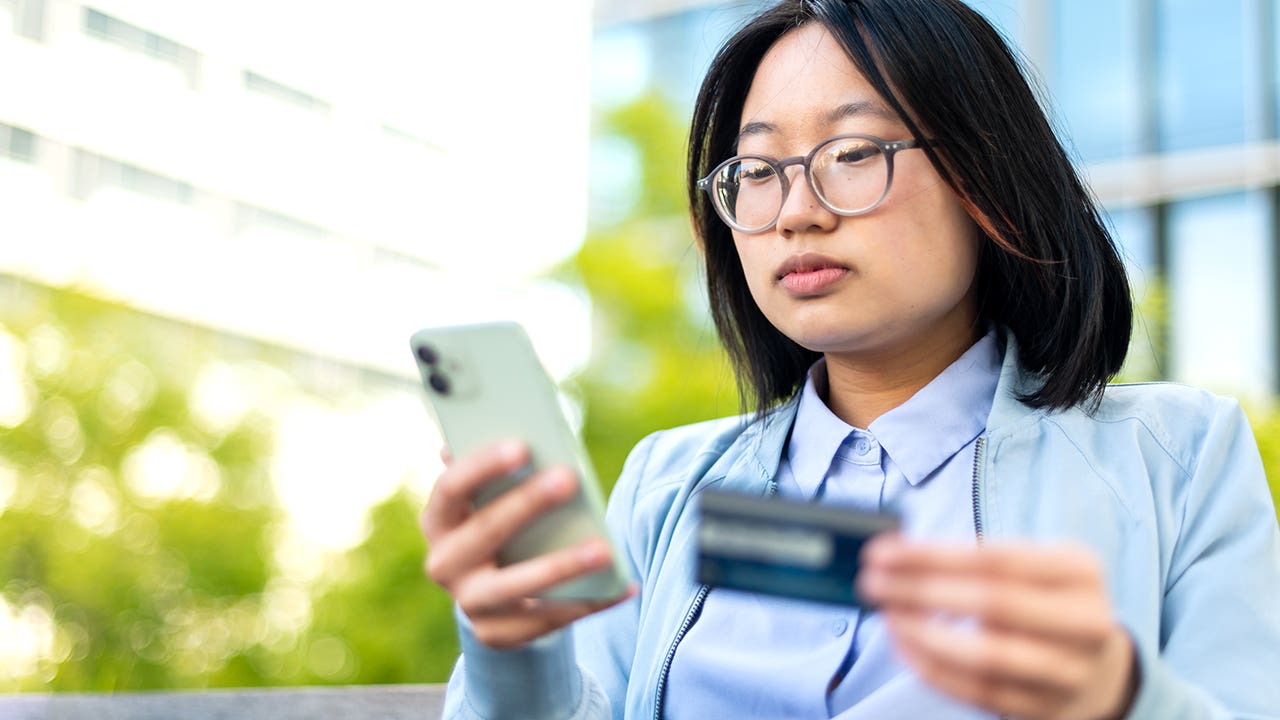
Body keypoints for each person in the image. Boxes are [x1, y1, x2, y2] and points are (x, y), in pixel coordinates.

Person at [421, 1, 1280, 718]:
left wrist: (1123, 697)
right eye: (756, 170)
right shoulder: (669, 483)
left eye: (854, 154)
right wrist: (515, 654)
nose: (795, 210)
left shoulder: (1176, 457)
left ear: (983, 176)